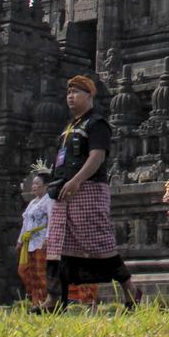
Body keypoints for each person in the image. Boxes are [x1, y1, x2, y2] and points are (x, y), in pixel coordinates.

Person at [50, 76, 141, 309]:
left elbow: (97, 156)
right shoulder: (69, 127)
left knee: (99, 244)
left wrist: (76, 181)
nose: (71, 96)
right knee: (58, 246)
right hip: (64, 191)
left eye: (77, 92)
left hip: (87, 189)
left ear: (90, 96)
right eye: (69, 92)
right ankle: (54, 299)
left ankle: (130, 290)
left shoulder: (96, 124)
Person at [17, 168, 53, 309]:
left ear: (46, 186)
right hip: (29, 241)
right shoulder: (32, 203)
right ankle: (35, 299)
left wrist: (48, 237)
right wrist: (20, 240)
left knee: (40, 271)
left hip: (41, 240)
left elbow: (52, 219)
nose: (33, 186)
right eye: (33, 184)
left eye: (37, 184)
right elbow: (26, 223)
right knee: (25, 270)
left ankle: (44, 301)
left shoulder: (48, 201)